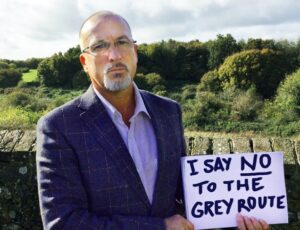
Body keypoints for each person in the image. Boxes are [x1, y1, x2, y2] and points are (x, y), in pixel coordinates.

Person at [36, 11, 269, 230]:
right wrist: (160, 227)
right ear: (85, 62)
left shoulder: (168, 111)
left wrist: (237, 218)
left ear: (134, 52)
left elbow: (185, 196)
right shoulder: (59, 126)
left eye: (122, 42)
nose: (114, 55)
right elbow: (64, 223)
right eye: (99, 46)